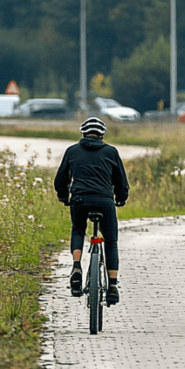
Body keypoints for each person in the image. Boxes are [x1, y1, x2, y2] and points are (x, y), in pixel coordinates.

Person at [55, 117, 130, 305]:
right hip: (104, 201)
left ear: (83, 133)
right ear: (102, 134)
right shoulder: (111, 152)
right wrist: (121, 198)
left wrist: (64, 197)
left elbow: (60, 179)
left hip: (80, 200)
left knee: (78, 229)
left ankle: (76, 267)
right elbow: (121, 182)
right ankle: (112, 286)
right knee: (111, 241)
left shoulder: (72, 151)